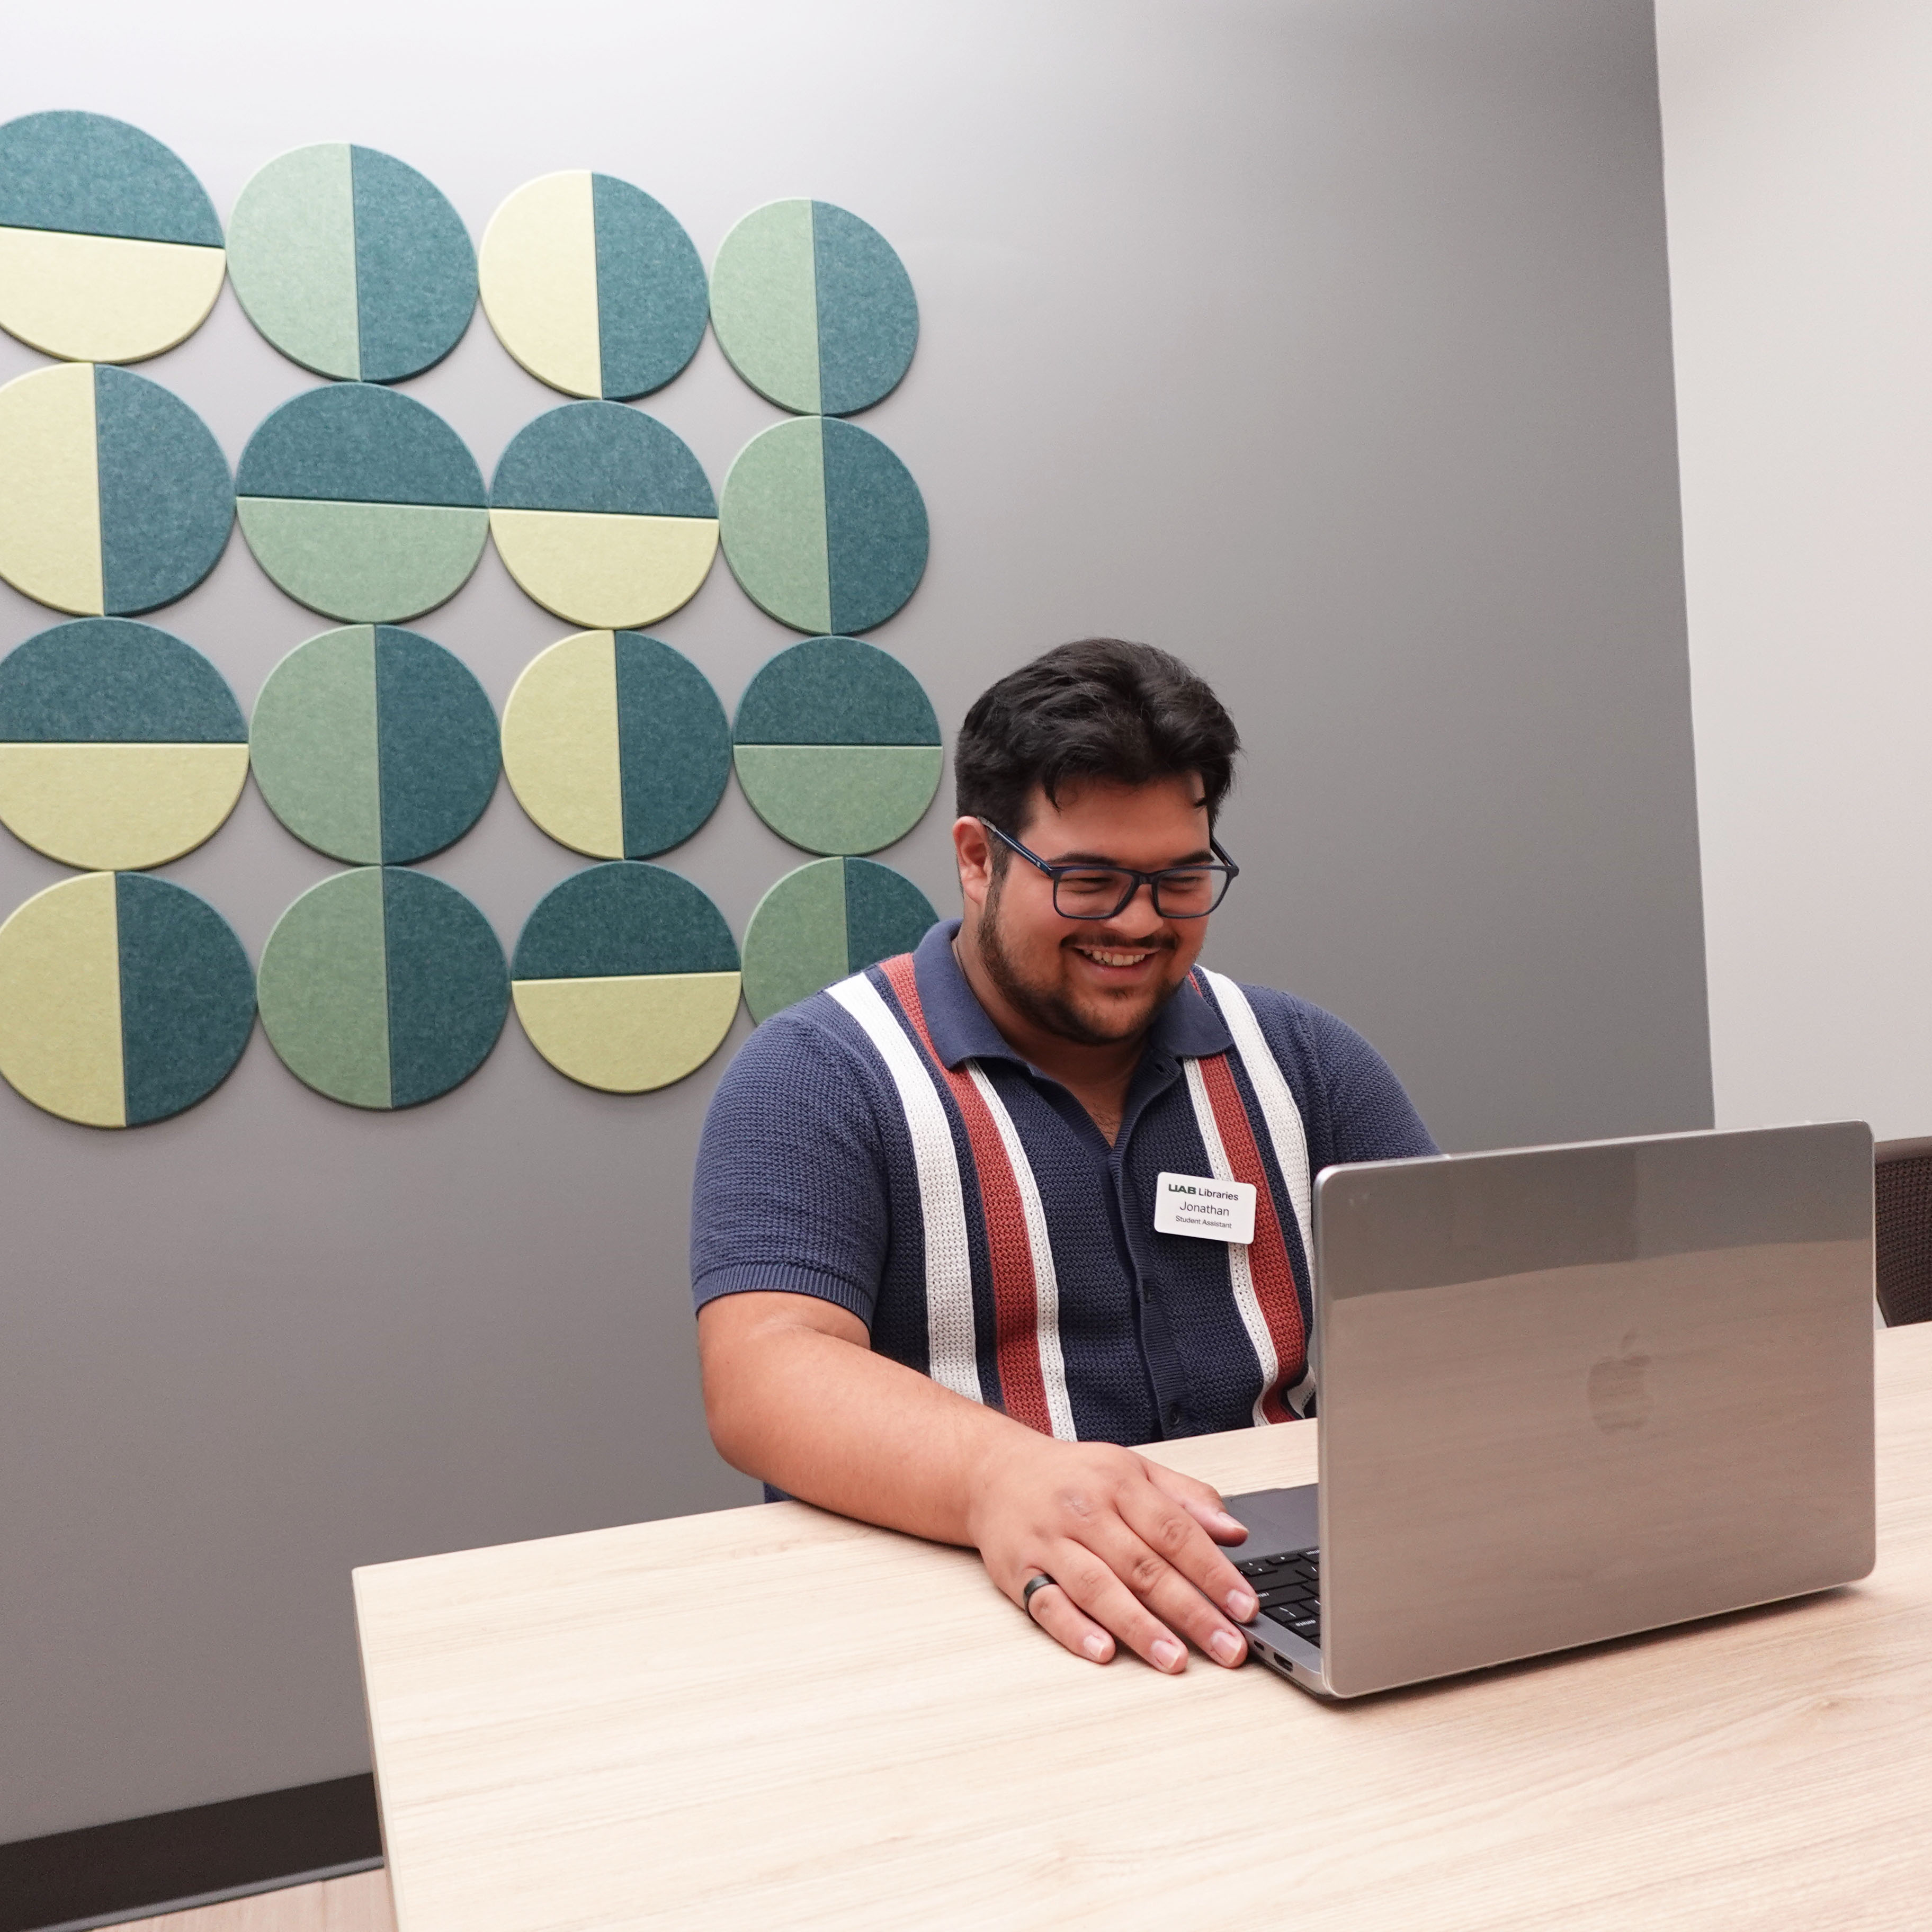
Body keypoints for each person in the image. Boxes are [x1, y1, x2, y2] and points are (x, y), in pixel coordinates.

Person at [692, 639, 1436, 1675]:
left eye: (1180, 880)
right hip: (965, 1616)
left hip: (1272, 1591)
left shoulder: (1302, 1060)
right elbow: (765, 1373)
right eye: (1088, 881)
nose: (1138, 923)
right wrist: (1000, 1475)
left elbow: (1453, 1318)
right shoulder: (822, 1075)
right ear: (977, 859)